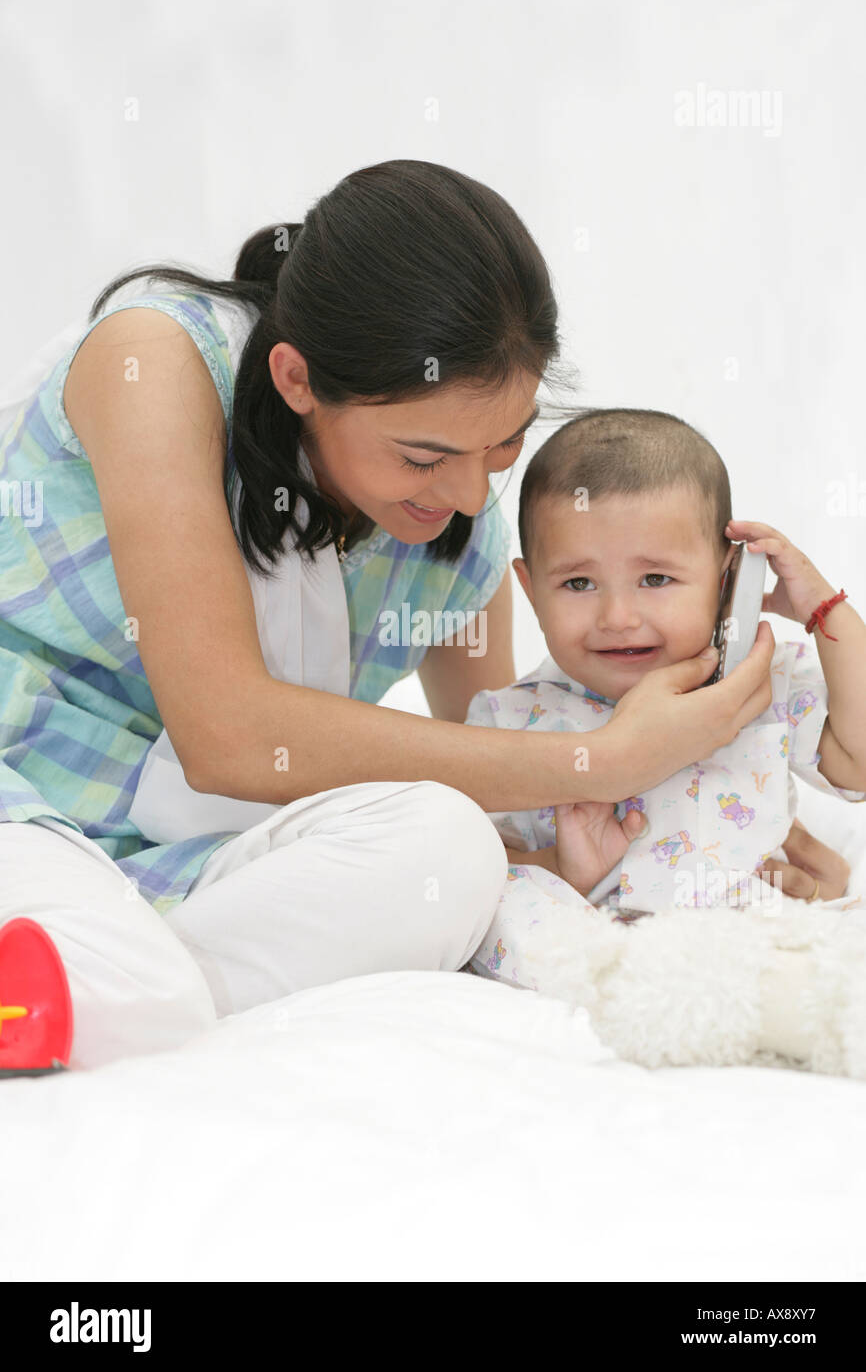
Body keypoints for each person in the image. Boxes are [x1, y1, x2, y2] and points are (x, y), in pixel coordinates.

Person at [0, 160, 848, 1071]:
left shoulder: (462, 525)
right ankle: (112, 981)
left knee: (448, 846)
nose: (470, 491)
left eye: (505, 444)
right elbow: (226, 736)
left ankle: (87, 990)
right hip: (28, 807)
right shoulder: (156, 361)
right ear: (296, 380)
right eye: (422, 455)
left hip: (203, 865)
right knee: (65, 890)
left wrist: (693, 845)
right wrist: (605, 759)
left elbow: (498, 781)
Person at [464, 408, 865, 1077]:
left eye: (655, 579)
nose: (618, 617)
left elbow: (858, 765)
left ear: (729, 579)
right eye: (579, 583)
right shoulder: (510, 718)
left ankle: (785, 1005)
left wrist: (829, 613)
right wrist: (564, 867)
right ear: (531, 589)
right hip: (604, 950)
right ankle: (618, 992)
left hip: (749, 935)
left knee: (824, 931)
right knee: (491, 894)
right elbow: (480, 864)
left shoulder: (756, 686)